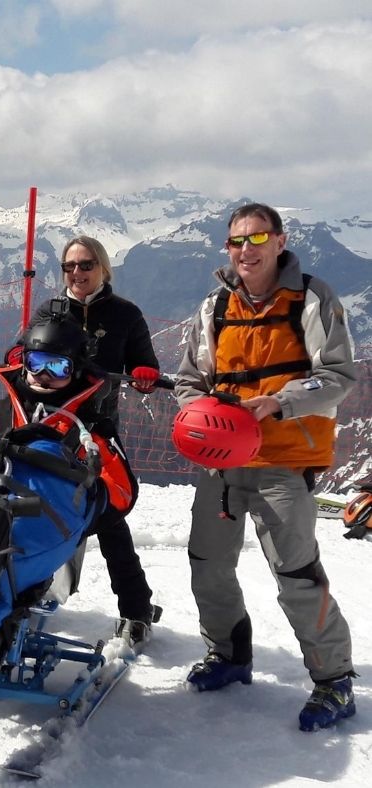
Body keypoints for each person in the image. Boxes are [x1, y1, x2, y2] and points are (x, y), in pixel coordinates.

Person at [175, 202, 357, 731]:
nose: (245, 251)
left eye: (256, 240)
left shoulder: (313, 298)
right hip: (222, 461)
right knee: (207, 564)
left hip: (285, 458)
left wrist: (280, 401)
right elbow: (190, 379)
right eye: (236, 241)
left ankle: (334, 680)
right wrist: (199, 412)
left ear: (280, 241)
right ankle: (229, 655)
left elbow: (340, 375)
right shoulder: (214, 305)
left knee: (296, 574)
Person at [0, 314, 140, 651]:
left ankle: (135, 608)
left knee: (111, 537)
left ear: (73, 371)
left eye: (57, 367)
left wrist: (90, 501)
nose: (43, 375)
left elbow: (120, 490)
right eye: (36, 363)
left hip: (51, 524)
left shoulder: (86, 428)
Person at [23, 235, 161, 644]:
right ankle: (28, 585)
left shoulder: (124, 314)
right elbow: (25, 349)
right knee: (32, 502)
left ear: (103, 268)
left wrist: (144, 376)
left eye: (86, 265)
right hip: (45, 422)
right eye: (70, 267)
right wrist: (18, 358)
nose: (78, 273)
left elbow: (144, 363)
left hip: (96, 426)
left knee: (108, 515)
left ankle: (135, 609)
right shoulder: (50, 310)